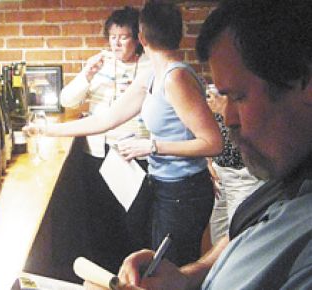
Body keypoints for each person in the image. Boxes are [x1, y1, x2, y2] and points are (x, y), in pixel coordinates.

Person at [109, 0, 312, 289]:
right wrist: (185, 276)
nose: (227, 118)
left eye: (239, 97)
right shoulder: (287, 176)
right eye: (224, 97)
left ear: (305, 82)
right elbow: (243, 235)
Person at [28, 1, 222, 267]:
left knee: (171, 270)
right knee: (160, 267)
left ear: (141, 38)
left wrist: (153, 147)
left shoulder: (175, 78)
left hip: (184, 190)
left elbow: (213, 143)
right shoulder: (153, 75)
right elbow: (105, 120)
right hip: (166, 186)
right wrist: (47, 130)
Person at [54, 6, 153, 275]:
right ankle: (106, 275)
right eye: (112, 37)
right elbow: (66, 101)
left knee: (132, 221)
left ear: (138, 39)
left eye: (124, 37)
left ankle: (132, 273)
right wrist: (86, 74)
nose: (117, 43)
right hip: (97, 154)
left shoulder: (149, 66)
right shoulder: (100, 63)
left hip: (134, 155)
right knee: (100, 218)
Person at [205, 86, 265, 244]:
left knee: (240, 236)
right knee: (218, 234)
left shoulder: (255, 90)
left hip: (242, 174)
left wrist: (222, 109)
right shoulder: (223, 92)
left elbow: (255, 130)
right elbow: (210, 130)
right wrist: (209, 160)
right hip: (220, 171)